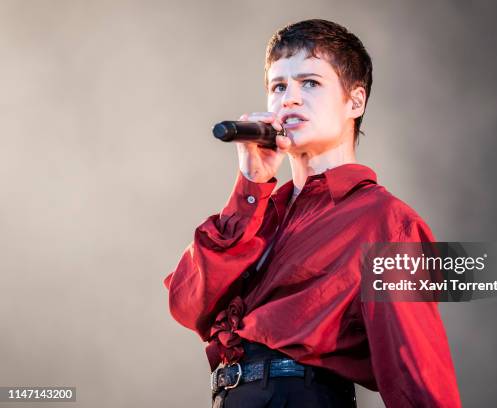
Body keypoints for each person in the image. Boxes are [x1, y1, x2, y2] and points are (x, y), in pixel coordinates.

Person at [164, 19, 461, 407]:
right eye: (278, 86)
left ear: (355, 101)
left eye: (310, 83)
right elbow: (189, 307)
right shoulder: (260, 211)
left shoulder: (386, 222)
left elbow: (417, 379)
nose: (288, 99)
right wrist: (250, 188)